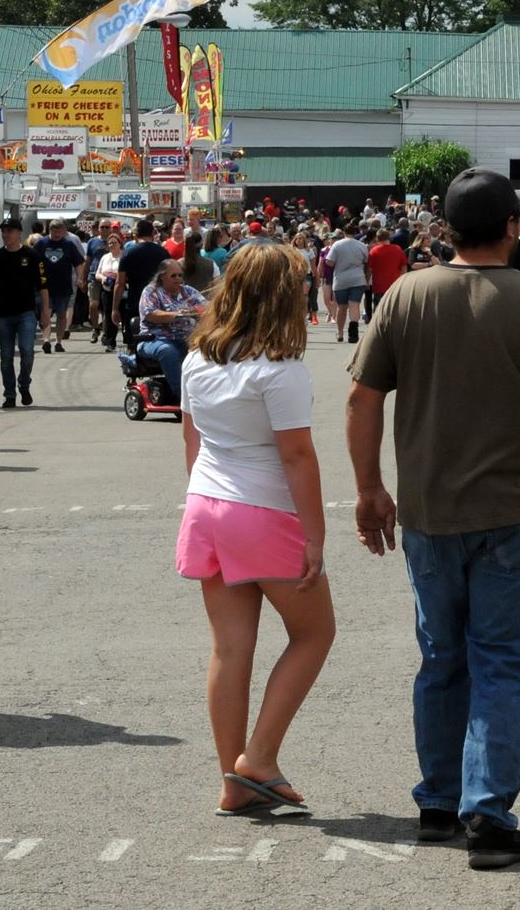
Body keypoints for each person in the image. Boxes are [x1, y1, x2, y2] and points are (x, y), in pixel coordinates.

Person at [348, 167, 520, 869]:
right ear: (514, 227)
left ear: (444, 229)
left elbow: (363, 400)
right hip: (514, 507)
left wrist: (370, 489)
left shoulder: (407, 295)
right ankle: (487, 812)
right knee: (502, 659)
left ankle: (437, 800)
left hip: (428, 510)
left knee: (441, 657)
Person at [177, 243, 332, 817]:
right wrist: (314, 535)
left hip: (207, 504)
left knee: (230, 648)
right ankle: (259, 758)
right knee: (315, 634)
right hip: (261, 510)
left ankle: (233, 780)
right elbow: (297, 457)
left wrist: (206, 499)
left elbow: (192, 441)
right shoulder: (280, 369)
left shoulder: (197, 357)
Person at [0, 218, 48, 409]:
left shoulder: (32, 255)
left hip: (26, 312)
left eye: (9, 231)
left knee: (27, 351)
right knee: (6, 356)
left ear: (19, 233)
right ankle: (9, 393)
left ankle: (24, 384)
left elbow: (43, 286)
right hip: (3, 314)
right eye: (4, 231)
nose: (6, 234)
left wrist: (45, 311)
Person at [138, 258, 208, 404]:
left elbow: (206, 307)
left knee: (209, 348)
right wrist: (176, 314)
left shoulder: (188, 291)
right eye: (173, 276)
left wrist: (198, 311)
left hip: (186, 339)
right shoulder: (151, 292)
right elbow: (151, 314)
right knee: (167, 351)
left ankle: (206, 393)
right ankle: (182, 397)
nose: (178, 279)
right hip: (155, 339)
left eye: (180, 275)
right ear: (162, 276)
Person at [114, 220, 170, 352]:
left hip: (135, 301)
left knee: (133, 340)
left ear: (135, 235)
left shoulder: (128, 253)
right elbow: (170, 278)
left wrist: (115, 308)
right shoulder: (163, 252)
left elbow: (120, 283)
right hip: (159, 302)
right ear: (152, 233)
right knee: (160, 338)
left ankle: (134, 361)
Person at [35, 217, 86, 354]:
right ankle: (46, 340)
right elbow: (32, 261)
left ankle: (58, 341)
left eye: (60, 231)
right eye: (54, 231)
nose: (57, 235)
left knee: (62, 315)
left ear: (64, 231)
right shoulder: (41, 244)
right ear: (49, 230)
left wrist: (80, 278)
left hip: (63, 285)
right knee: (46, 312)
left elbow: (79, 263)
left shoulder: (68, 245)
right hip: (45, 286)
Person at [326, 224, 369, 344]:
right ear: (355, 233)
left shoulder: (337, 245)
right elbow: (366, 262)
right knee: (354, 305)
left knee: (342, 307)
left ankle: (340, 332)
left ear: (343, 232)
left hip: (341, 279)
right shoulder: (361, 246)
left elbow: (329, 261)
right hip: (358, 278)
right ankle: (353, 333)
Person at [365, 227, 407, 322]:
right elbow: (404, 267)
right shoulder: (398, 249)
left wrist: (366, 282)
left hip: (379, 285)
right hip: (395, 285)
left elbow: (369, 269)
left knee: (379, 310)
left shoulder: (374, 251)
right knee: (394, 309)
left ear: (377, 238)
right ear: (389, 237)